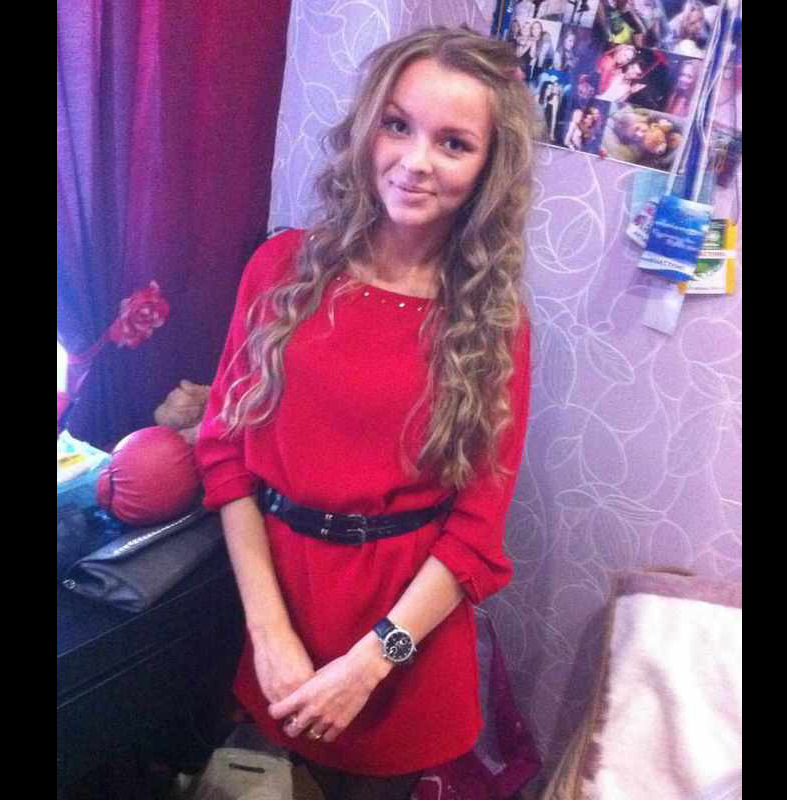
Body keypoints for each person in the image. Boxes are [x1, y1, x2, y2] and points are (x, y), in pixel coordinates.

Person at [196, 26, 535, 800]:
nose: (415, 162)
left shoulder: (494, 324)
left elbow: (477, 532)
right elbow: (224, 453)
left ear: (489, 167)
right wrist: (268, 633)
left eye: (454, 143)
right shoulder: (279, 270)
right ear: (366, 129)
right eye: (398, 125)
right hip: (279, 611)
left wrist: (371, 662)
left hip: (402, 654)